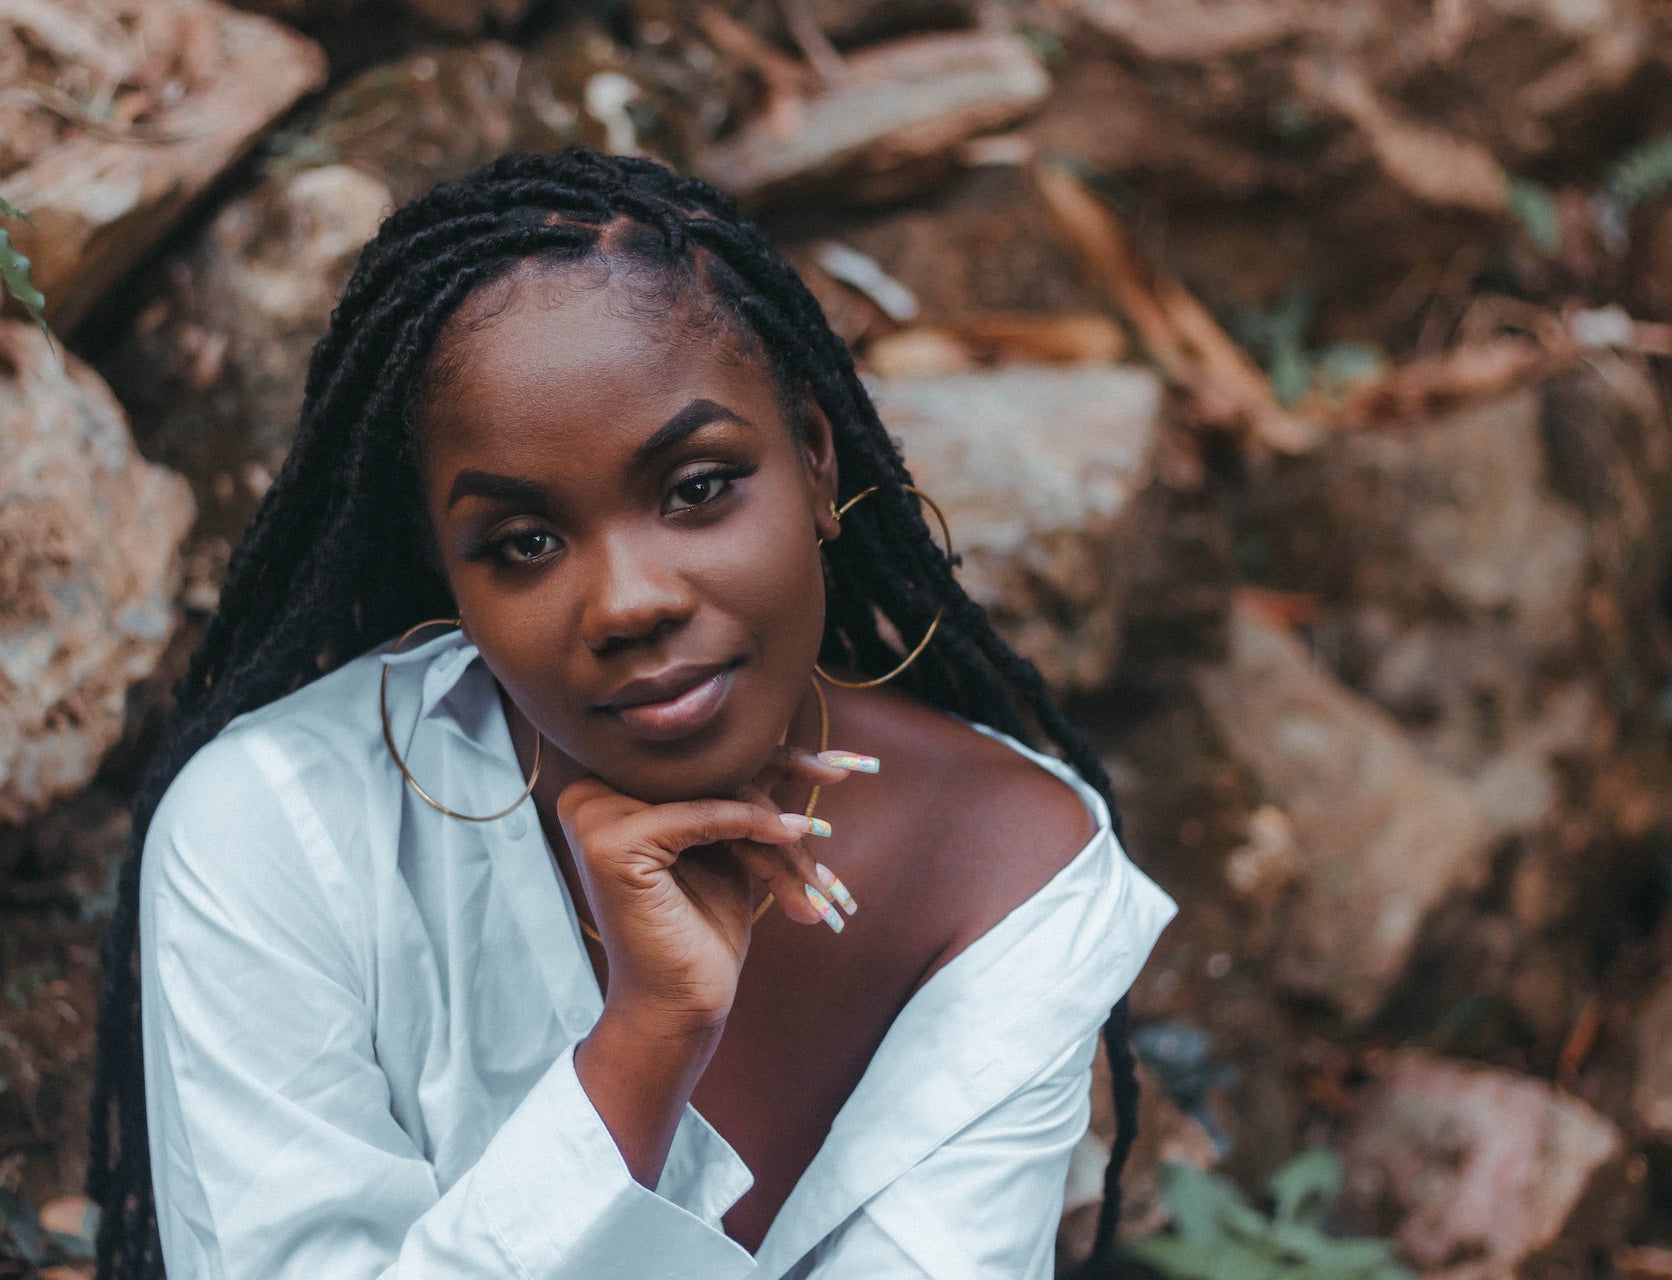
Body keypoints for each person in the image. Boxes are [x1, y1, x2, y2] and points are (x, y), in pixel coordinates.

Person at [86, 145, 1177, 1280]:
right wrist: (644, 1048)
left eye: (698, 487)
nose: (630, 600)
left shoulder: (1010, 868)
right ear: (453, 578)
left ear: (813, 455)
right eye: (524, 544)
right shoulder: (278, 833)